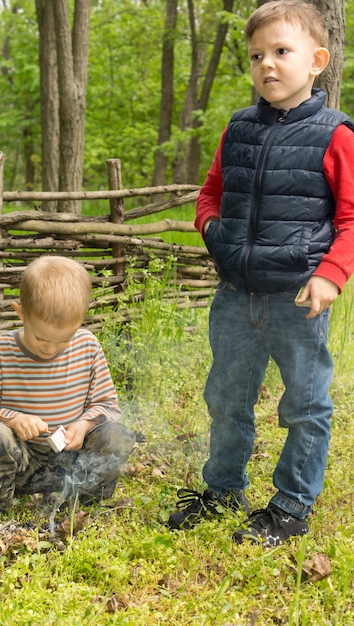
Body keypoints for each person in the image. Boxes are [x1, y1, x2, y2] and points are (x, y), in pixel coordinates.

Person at [168, 0, 354, 547]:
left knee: (305, 404)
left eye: (281, 52)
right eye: (256, 56)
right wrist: (212, 232)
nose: (267, 64)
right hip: (234, 295)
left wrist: (330, 274)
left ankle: (291, 503)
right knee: (226, 398)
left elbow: (351, 218)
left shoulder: (336, 135)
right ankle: (223, 488)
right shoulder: (239, 128)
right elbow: (210, 193)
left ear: (317, 60)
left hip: (297, 300)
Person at [0, 255, 135, 526]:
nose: (50, 349)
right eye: (40, 338)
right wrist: (12, 419)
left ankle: (87, 498)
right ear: (20, 313)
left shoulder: (87, 346)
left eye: (64, 339)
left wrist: (85, 424)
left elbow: (108, 406)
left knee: (116, 435)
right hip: (20, 463)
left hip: (72, 463)